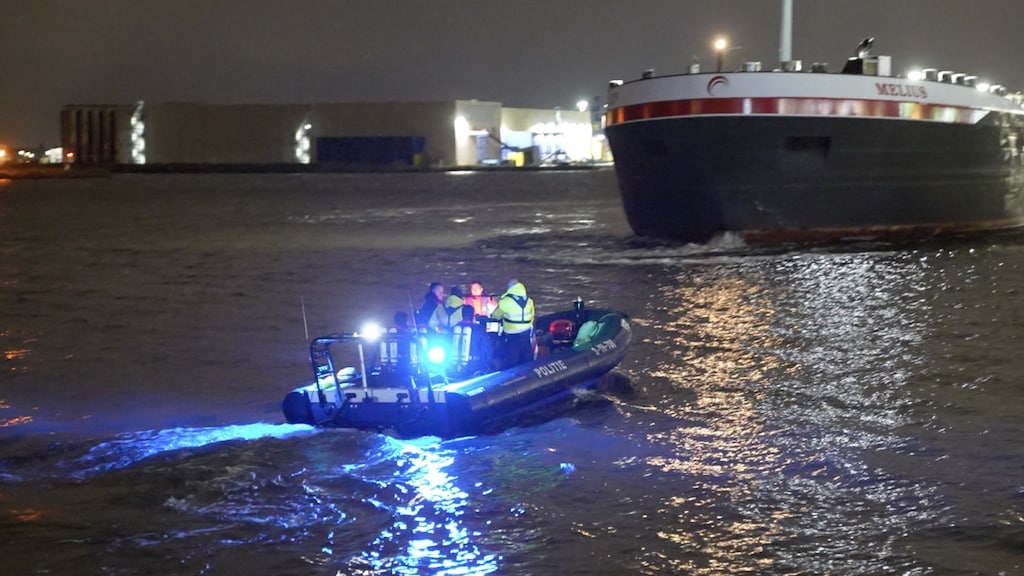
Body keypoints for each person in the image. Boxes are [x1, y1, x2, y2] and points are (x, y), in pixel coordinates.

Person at [490, 278, 535, 368]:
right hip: (526, 333)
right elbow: (532, 315)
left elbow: (496, 315)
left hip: (512, 335)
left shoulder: (505, 301)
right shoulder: (529, 300)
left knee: (512, 360)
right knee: (527, 358)